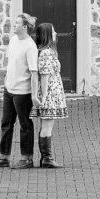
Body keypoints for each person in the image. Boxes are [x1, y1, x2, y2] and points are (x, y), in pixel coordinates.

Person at [0, 13, 39, 169]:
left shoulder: (30, 46)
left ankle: (27, 159)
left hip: (23, 93)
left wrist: (34, 95)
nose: (13, 25)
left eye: (16, 23)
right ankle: (3, 157)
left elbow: (34, 72)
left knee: (25, 125)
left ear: (24, 27)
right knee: (6, 124)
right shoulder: (14, 40)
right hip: (9, 89)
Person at [33, 22, 67, 169]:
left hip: (52, 92)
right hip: (50, 94)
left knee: (47, 126)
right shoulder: (46, 52)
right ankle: (46, 158)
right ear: (47, 34)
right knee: (47, 126)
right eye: (53, 31)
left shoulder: (48, 51)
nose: (55, 33)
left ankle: (46, 158)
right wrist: (45, 97)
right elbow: (45, 75)